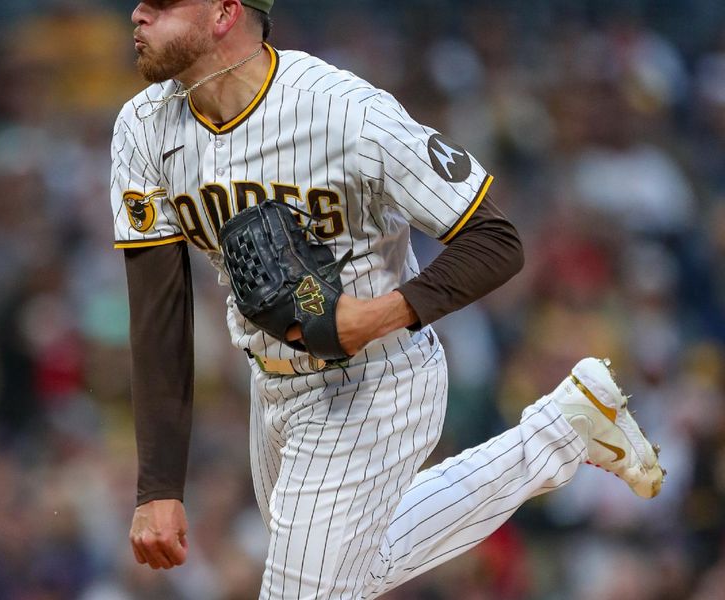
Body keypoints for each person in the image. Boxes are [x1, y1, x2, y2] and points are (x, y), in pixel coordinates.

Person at [110, 1, 665, 597]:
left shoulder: (346, 111)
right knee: (351, 576)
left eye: (163, 2)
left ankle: (562, 433)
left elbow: (496, 240)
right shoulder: (143, 126)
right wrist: (159, 486)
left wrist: (379, 315)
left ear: (224, 12)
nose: (139, 14)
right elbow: (159, 315)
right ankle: (563, 429)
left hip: (376, 378)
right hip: (269, 385)